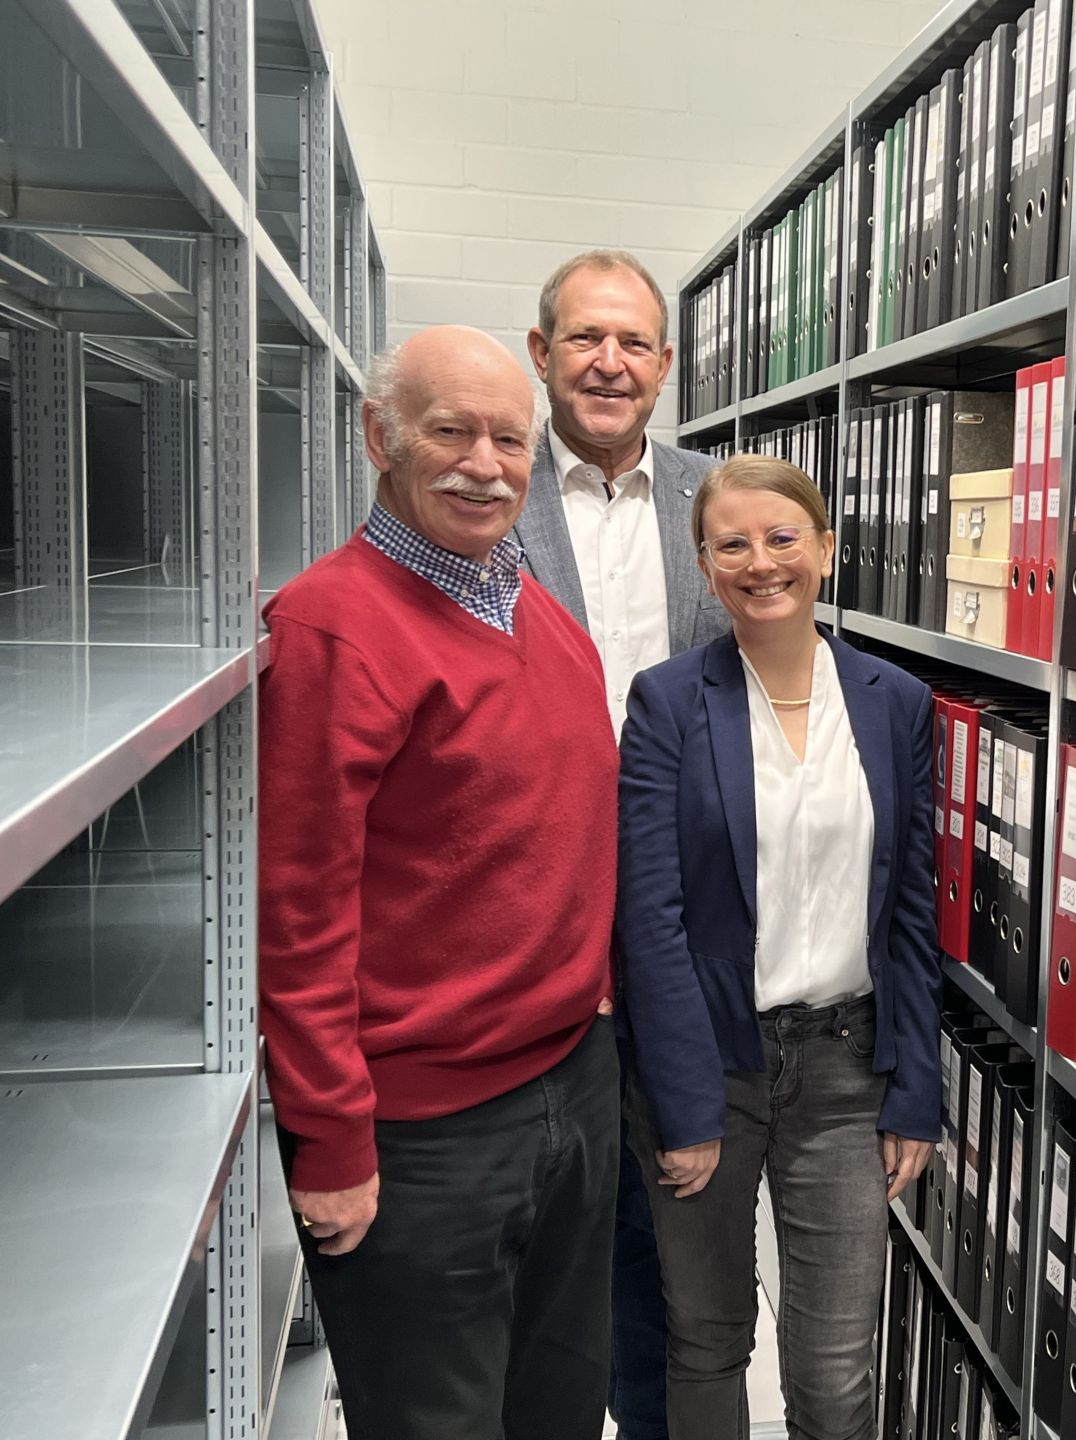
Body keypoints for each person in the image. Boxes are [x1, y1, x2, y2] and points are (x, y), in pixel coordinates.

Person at [257, 325, 620, 1440]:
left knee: (559, 1406)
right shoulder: (332, 626)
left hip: (572, 1084)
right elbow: (298, 913)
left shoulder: (533, 605)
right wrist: (330, 1142)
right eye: (450, 432)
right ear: (381, 437)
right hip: (423, 1139)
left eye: (510, 438)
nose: (486, 464)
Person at [617, 455, 942, 1440]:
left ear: (827, 549)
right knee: (708, 1340)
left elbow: (914, 909)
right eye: (733, 544)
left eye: (783, 537)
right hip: (710, 1067)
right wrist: (680, 1105)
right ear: (706, 568)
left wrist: (916, 1087)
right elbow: (652, 920)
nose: (761, 562)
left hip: (850, 1068)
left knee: (837, 1367)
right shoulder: (669, 701)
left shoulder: (894, 703)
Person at [513, 248, 730, 1440]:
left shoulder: (715, 504)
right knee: (550, 1228)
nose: (610, 363)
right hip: (535, 912)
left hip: (681, 920)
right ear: (541, 355)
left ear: (663, 366)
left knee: (672, 1227)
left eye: (634, 344)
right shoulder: (491, 497)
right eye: (585, 339)